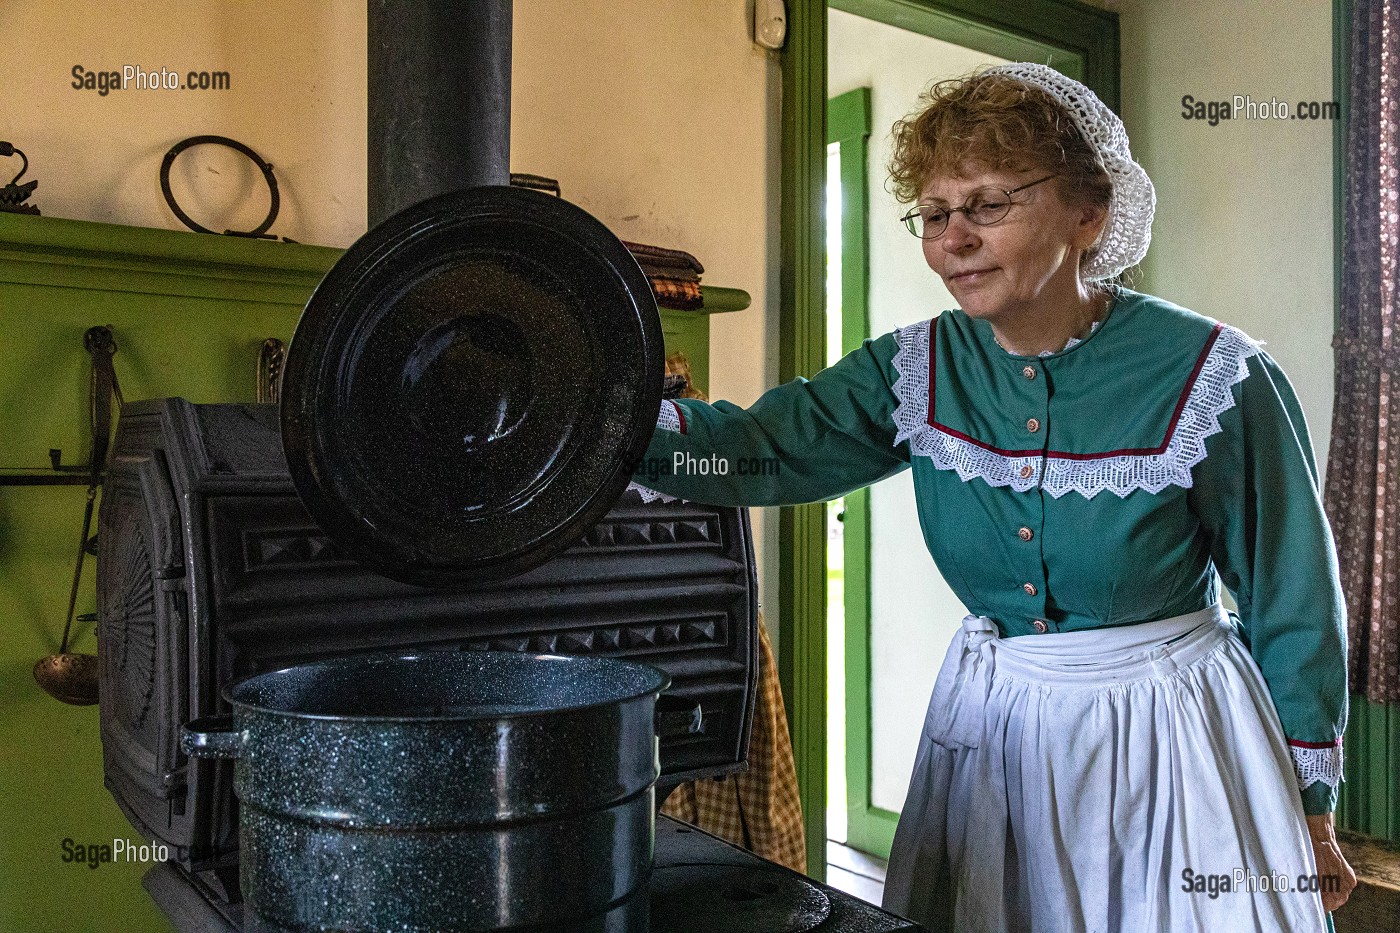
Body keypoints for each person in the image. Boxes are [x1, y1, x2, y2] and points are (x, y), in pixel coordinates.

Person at [633, 62, 1356, 931]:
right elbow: (755, 455)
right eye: (935, 214)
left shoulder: (1215, 373)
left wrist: (1308, 807)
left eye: (987, 205)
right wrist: (595, 419)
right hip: (996, 738)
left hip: (1172, 742)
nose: (953, 240)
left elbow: (1293, 593)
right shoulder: (915, 369)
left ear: (1090, 213)